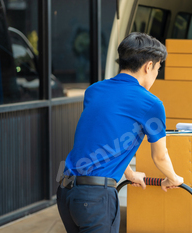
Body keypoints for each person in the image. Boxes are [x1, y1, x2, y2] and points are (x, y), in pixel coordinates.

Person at [57, 32, 184, 233]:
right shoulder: (151, 104)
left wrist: (130, 174)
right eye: (158, 69)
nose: (155, 76)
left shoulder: (94, 90)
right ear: (148, 66)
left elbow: (103, 139)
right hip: (95, 198)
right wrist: (173, 178)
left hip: (65, 190)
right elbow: (160, 156)